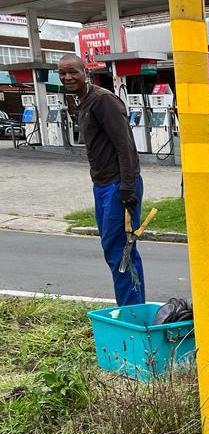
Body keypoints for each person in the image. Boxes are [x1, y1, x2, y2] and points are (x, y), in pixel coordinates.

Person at [58, 54, 145, 306]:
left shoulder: (103, 100)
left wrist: (127, 188)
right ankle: (128, 306)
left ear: (85, 71)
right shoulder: (83, 101)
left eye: (73, 71)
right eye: (62, 73)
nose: (67, 77)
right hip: (102, 185)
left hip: (119, 185)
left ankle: (132, 312)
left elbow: (125, 146)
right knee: (112, 248)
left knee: (121, 250)